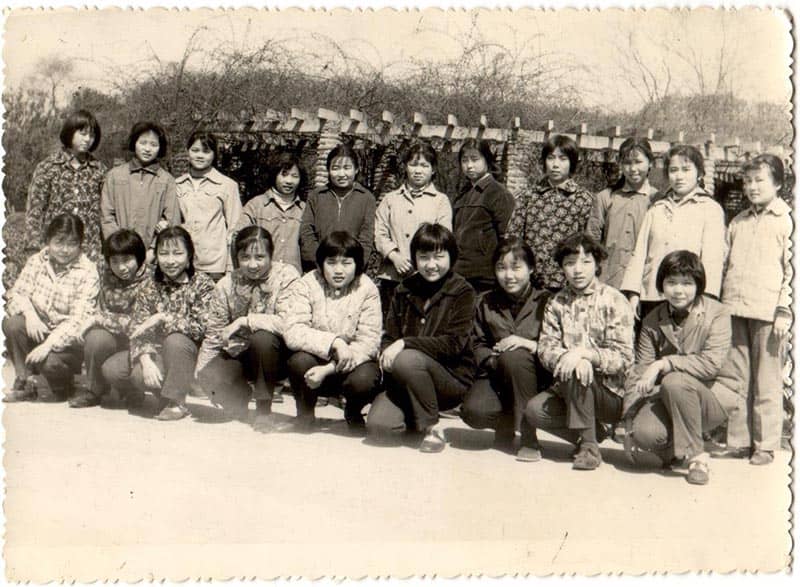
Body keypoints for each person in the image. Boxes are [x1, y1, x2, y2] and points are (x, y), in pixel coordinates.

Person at [525, 233, 634, 470]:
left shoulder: (614, 300)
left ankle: (589, 448)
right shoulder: (556, 303)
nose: (577, 270)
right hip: (569, 390)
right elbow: (546, 348)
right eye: (570, 263)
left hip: (610, 393)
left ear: (597, 265)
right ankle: (593, 432)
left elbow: (624, 358)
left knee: (579, 368)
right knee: (534, 411)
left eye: (585, 262)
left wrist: (587, 355)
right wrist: (568, 357)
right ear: (562, 267)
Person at [711, 154, 792, 466]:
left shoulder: (786, 221)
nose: (752, 187)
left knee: (767, 379)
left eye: (760, 180)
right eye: (747, 181)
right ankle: (740, 440)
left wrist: (784, 310)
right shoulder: (739, 221)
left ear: (778, 184)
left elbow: (792, 271)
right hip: (735, 308)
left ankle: (766, 444)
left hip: (769, 314)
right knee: (738, 377)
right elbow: (724, 264)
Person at [625, 251, 733, 485]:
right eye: (671, 282)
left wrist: (664, 363)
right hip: (668, 399)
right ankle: (674, 450)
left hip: (710, 399)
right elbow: (640, 370)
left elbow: (711, 364)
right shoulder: (653, 319)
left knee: (673, 379)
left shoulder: (718, 313)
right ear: (661, 286)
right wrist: (628, 420)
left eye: (687, 283)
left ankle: (697, 457)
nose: (678, 290)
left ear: (698, 285)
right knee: (645, 433)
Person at [367, 224, 477, 453]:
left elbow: (454, 344)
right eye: (423, 257)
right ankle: (417, 416)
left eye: (439, 256)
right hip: (406, 379)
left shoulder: (462, 291)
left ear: (451, 256)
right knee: (380, 428)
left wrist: (406, 343)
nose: (431, 265)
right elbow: (390, 336)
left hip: (449, 378)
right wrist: (389, 351)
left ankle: (431, 427)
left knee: (408, 358)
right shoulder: (404, 289)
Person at [100, 227, 215, 420]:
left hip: (188, 354)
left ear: (189, 256)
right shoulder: (150, 285)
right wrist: (146, 361)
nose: (170, 260)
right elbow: (139, 329)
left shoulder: (202, 284)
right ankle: (162, 396)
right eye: (163, 253)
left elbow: (203, 327)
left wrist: (163, 317)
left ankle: (177, 402)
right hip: (157, 351)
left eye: (177, 253)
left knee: (175, 340)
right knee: (115, 369)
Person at [195, 227, 300, 431]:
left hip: (276, 354)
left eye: (260, 257)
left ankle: (264, 409)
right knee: (208, 375)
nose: (252, 265)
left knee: (262, 338)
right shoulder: (226, 284)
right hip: (240, 352)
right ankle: (240, 397)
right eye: (245, 257)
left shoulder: (287, 276)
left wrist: (245, 321)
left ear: (271, 255)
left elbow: (288, 322)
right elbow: (215, 332)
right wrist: (202, 372)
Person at [278, 231, 382, 432]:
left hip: (350, 366)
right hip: (315, 362)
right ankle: (305, 414)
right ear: (320, 263)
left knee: (366, 378)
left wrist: (330, 368)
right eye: (331, 262)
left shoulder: (367, 289)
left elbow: (369, 343)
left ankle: (353, 411)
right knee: (299, 360)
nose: (339, 270)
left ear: (357, 265)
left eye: (347, 263)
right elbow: (293, 330)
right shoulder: (307, 283)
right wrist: (335, 342)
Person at [461, 237, 551, 460]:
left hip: (538, 376)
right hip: (496, 374)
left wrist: (530, 344)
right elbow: (476, 342)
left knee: (516, 358)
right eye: (501, 268)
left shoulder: (548, 302)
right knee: (474, 412)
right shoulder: (485, 301)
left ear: (531, 268)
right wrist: (492, 359)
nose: (509, 275)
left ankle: (529, 438)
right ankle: (506, 420)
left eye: (516, 267)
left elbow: (559, 344)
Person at [621, 144, 726, 320]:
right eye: (673, 170)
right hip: (652, 296)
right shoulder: (657, 208)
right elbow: (639, 254)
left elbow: (713, 260)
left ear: (699, 173)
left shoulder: (710, 209)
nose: (679, 176)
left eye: (686, 170)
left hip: (687, 299)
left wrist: (705, 300)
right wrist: (633, 294)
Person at [3, 213, 100, 402]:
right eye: (58, 242)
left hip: (67, 342)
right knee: (12, 323)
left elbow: (78, 320)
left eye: (72, 243)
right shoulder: (37, 261)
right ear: (48, 241)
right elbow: (16, 294)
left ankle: (63, 385)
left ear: (81, 244)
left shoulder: (88, 271)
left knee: (50, 363)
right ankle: (25, 382)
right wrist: (30, 315)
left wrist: (48, 345)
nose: (64, 250)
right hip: (38, 328)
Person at [68, 229, 150, 408]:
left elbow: (137, 323)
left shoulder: (150, 281)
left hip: (139, 343)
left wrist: (98, 318)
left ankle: (132, 390)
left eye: (127, 260)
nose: (121, 267)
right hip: (112, 337)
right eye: (115, 261)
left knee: (115, 367)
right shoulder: (106, 275)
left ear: (139, 257)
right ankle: (94, 390)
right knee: (96, 338)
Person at [507, 135, 594, 292]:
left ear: (572, 163)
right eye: (551, 158)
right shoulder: (528, 195)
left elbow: (588, 242)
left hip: (568, 282)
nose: (555, 164)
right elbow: (513, 236)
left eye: (562, 159)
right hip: (531, 282)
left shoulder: (583, 199)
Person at [374, 141, 452, 311]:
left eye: (424, 165)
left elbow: (443, 237)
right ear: (405, 167)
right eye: (413, 165)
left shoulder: (440, 201)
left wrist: (420, 263)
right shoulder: (390, 199)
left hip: (426, 277)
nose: (418, 171)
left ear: (433, 170)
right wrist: (395, 256)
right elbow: (379, 233)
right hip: (392, 276)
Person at [24, 109, 107, 264]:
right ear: (70, 132)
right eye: (83, 133)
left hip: (89, 252)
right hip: (54, 250)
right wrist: (33, 250)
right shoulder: (48, 167)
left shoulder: (100, 170)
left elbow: (106, 212)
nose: (88, 139)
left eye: (92, 135)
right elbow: (35, 210)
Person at [586, 137, 660, 289]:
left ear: (650, 162)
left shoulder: (658, 200)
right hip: (608, 280)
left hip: (644, 283)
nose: (633, 169)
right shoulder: (605, 197)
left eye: (638, 162)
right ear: (620, 164)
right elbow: (591, 241)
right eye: (627, 163)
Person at [100, 121, 180, 263]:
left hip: (153, 257)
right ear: (134, 143)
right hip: (119, 254)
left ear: (160, 148)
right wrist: (119, 248)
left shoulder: (167, 180)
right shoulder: (114, 176)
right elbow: (107, 216)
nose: (147, 149)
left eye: (153, 145)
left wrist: (154, 251)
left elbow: (172, 220)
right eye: (143, 143)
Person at [175, 131, 242, 281]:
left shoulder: (227, 186)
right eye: (195, 150)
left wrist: (231, 267)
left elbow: (235, 229)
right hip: (183, 263)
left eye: (206, 151)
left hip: (215, 266)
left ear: (214, 154)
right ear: (187, 152)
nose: (200, 155)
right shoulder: (177, 185)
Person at [451, 138, 515, 293]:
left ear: (487, 160)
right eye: (464, 160)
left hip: (484, 277)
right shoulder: (462, 194)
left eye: (475, 159)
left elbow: (506, 237)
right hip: (459, 273)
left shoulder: (498, 193)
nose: (469, 165)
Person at [299, 144, 376, 271]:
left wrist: (353, 265)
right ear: (328, 170)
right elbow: (306, 232)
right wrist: (320, 261)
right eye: (335, 168)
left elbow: (367, 237)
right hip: (318, 267)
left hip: (353, 269)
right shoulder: (316, 196)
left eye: (347, 168)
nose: (341, 174)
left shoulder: (367, 198)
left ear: (356, 169)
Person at [234, 151, 308, 273]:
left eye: (295, 176)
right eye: (284, 175)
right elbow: (238, 239)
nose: (289, 181)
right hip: (262, 276)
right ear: (274, 175)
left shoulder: (304, 209)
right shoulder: (256, 205)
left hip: (293, 280)